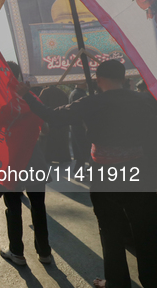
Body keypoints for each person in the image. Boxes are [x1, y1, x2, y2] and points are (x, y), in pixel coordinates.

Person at [16, 59, 157, 288]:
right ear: (123, 78)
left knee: (110, 230)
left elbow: (53, 116)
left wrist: (27, 95)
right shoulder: (145, 100)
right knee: (146, 230)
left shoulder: (91, 103)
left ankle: (116, 283)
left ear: (99, 80)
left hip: (105, 176)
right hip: (140, 172)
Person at [0, 61, 52, 266]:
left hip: (9, 163)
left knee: (13, 208)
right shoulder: (32, 99)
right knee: (38, 206)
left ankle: (17, 252)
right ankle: (45, 253)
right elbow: (46, 130)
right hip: (34, 159)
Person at [69, 82, 91, 173]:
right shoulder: (79, 94)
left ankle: (79, 172)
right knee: (82, 150)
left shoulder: (74, 93)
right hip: (80, 126)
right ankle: (80, 173)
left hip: (75, 125)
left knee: (80, 152)